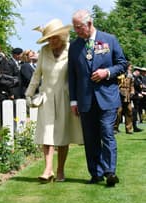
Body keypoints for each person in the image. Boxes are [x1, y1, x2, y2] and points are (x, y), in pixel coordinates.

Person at [68, 10, 127, 186]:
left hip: (107, 98)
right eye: (75, 28)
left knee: (107, 133)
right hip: (85, 100)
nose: (77, 31)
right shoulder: (75, 45)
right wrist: (73, 100)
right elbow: (72, 75)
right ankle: (95, 173)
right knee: (90, 138)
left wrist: (106, 72)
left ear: (89, 24)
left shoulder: (109, 40)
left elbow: (122, 64)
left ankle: (110, 172)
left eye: (79, 27)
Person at [25, 18, 83, 182]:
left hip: (65, 98)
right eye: (48, 38)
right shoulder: (44, 51)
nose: (51, 41)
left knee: (62, 135)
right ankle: (47, 169)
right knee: (47, 134)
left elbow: (78, 75)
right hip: (46, 98)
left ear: (63, 36)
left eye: (54, 37)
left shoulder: (71, 50)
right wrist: (29, 94)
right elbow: (37, 76)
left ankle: (60, 171)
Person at [114, 62, 135, 134]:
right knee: (118, 111)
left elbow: (132, 85)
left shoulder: (130, 76)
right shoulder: (119, 74)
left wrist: (132, 91)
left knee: (129, 111)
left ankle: (129, 129)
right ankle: (115, 128)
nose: (131, 68)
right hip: (119, 93)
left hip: (128, 94)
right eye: (130, 67)